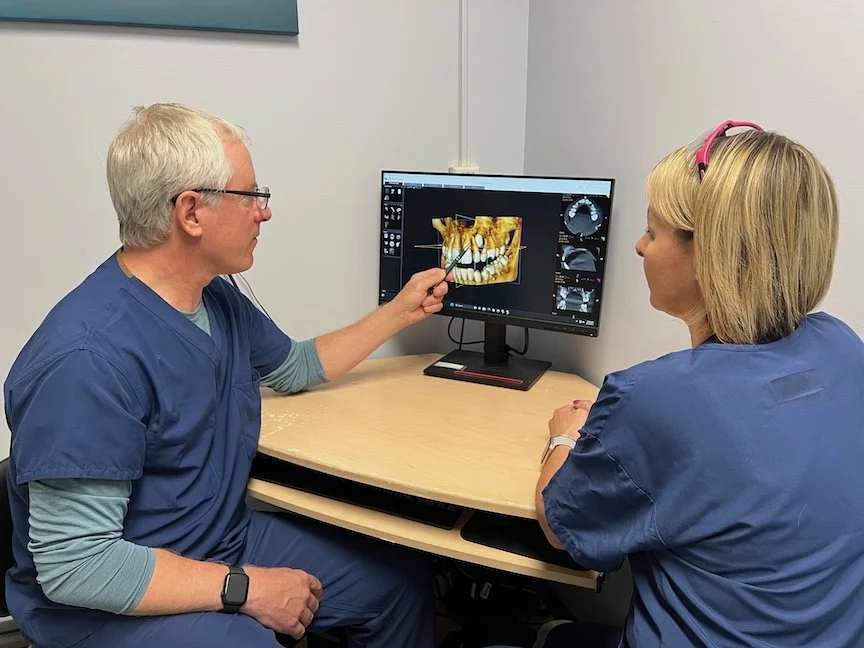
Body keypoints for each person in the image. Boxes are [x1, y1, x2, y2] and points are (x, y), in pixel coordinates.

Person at [3, 103, 452, 648]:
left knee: (396, 586)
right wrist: (244, 588)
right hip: (104, 604)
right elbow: (78, 566)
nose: (264, 212)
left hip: (215, 539)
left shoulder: (215, 297)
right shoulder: (87, 358)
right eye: (252, 196)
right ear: (191, 213)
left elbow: (296, 367)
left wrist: (401, 311)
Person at [535, 121, 864, 646]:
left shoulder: (656, 396)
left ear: (709, 251)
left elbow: (561, 527)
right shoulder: (843, 348)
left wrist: (565, 435)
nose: (641, 247)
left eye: (654, 230)